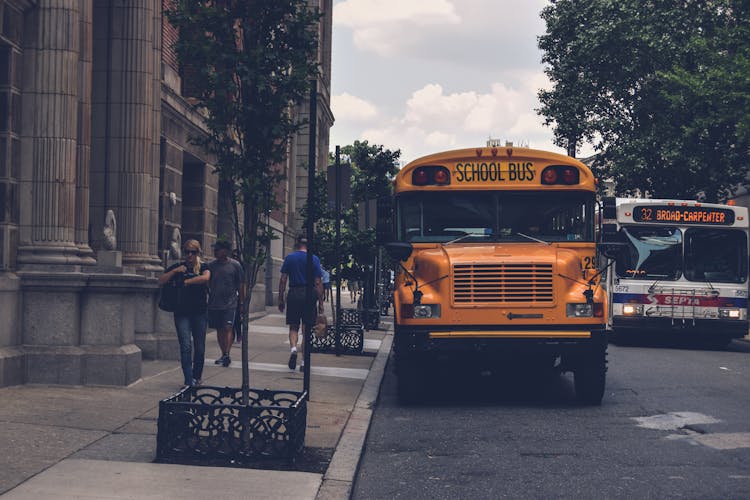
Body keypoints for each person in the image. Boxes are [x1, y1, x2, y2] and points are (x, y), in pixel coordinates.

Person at [158, 239, 211, 389]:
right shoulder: (178, 267)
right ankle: (188, 380)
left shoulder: (203, 267)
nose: (189, 255)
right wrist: (175, 271)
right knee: (186, 346)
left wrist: (188, 281)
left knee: (199, 348)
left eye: (192, 252)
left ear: (198, 253)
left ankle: (197, 377)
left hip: (200, 313)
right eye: (186, 252)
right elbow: (160, 281)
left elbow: (206, 278)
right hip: (181, 313)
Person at [278, 236, 324, 371]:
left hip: (294, 293)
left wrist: (281, 299)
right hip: (309, 294)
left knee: (293, 326)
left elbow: (283, 280)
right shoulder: (314, 259)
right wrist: (320, 302)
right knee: (306, 329)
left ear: (297, 244)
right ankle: (304, 362)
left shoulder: (290, 258)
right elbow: (318, 282)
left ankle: (293, 349)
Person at [208, 239, 245, 367]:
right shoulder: (211, 266)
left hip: (231, 303)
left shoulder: (235, 265)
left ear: (224, 251)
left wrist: (242, 303)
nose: (215, 252)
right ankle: (223, 353)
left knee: (228, 328)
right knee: (219, 329)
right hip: (215, 303)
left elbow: (241, 285)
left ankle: (227, 354)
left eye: (217, 250)